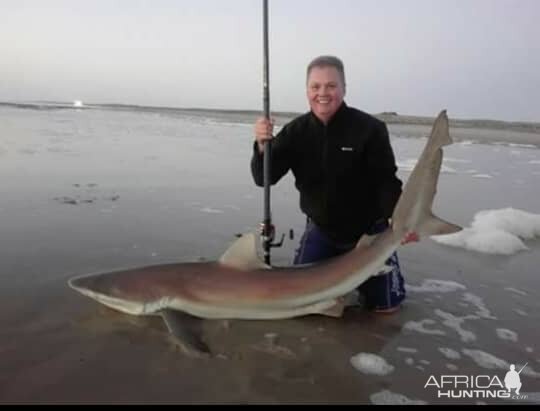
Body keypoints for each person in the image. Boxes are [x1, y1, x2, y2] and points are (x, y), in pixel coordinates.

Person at [250, 55, 417, 313]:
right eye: (315, 87)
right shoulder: (296, 132)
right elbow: (264, 179)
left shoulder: (370, 129)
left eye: (331, 85)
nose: (322, 93)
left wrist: (400, 217)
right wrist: (262, 147)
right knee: (299, 303)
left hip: (368, 235)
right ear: (307, 90)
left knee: (385, 309)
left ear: (344, 88)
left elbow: (386, 180)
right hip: (322, 231)